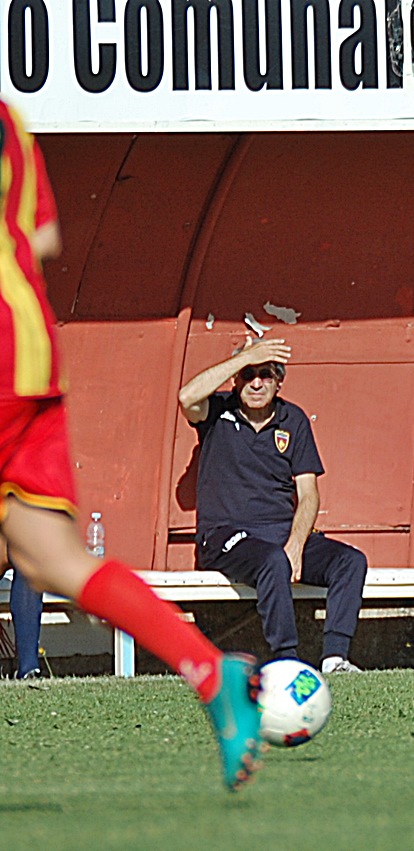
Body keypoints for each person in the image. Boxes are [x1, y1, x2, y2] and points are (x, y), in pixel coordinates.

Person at [0, 96, 265, 790]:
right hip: (28, 356)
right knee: (49, 556)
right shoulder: (8, 120)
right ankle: (210, 671)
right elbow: (43, 237)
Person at [179, 339, 367, 675]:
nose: (256, 383)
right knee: (272, 560)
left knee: (350, 561)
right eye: (247, 374)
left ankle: (335, 659)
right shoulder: (217, 411)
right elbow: (186, 397)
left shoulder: (292, 419)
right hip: (226, 536)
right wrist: (246, 357)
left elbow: (308, 493)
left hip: (280, 533)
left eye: (265, 375)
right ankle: (287, 660)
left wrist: (296, 543)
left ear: (279, 382)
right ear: (235, 379)